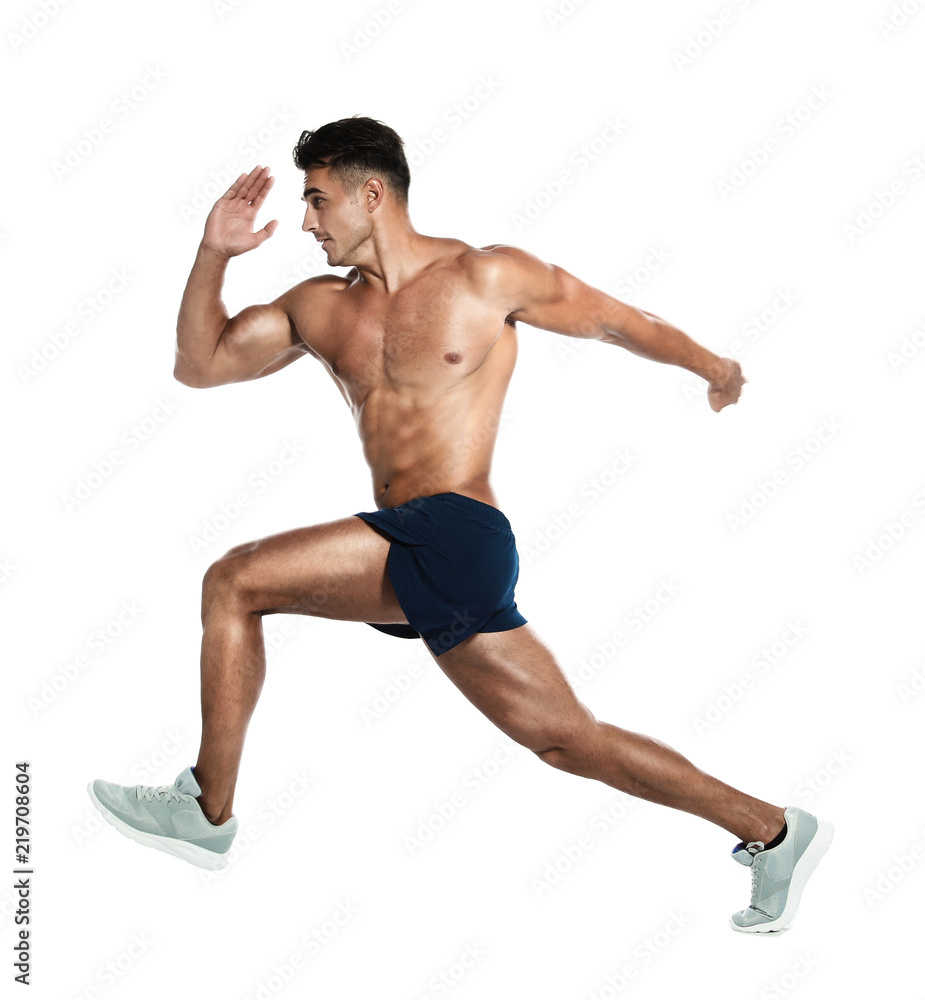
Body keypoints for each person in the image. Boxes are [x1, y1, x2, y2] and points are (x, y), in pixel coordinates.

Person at [88, 115, 831, 931]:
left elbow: (617, 319)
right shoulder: (316, 308)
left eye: (316, 200)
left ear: (371, 195)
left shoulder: (484, 277)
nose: (305, 222)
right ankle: (772, 832)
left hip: (457, 528)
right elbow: (199, 366)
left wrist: (714, 368)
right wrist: (212, 257)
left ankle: (207, 809)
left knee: (234, 580)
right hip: (417, 543)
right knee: (566, 739)